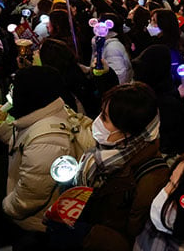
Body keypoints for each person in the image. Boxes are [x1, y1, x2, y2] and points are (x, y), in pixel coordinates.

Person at [74, 83, 169, 251]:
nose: (98, 122)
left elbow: (133, 241)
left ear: (129, 131)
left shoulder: (151, 181)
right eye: (101, 113)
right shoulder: (106, 150)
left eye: (105, 118)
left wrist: (87, 234)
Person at [0, 66, 78, 237]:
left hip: (37, 223)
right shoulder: (43, 113)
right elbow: (25, 142)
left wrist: (7, 207)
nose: (11, 93)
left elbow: (31, 197)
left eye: (15, 89)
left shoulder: (47, 141)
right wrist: (1, 125)